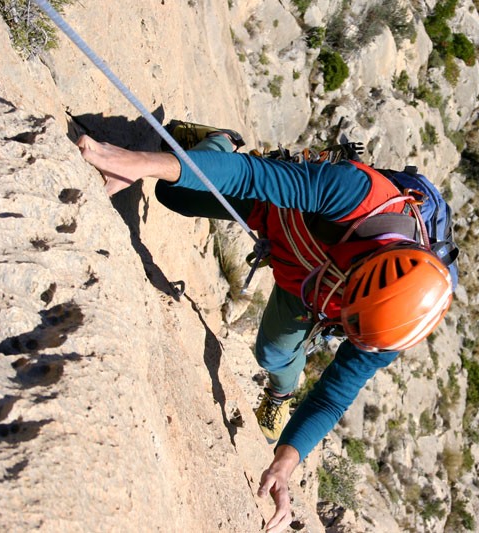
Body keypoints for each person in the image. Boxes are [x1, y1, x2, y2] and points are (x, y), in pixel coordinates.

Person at [76, 131, 454, 532]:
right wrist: (141, 162)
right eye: (347, 297)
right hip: (289, 226)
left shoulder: (395, 325)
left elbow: (333, 397)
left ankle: (279, 392)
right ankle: (220, 140)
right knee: (177, 195)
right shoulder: (357, 196)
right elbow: (251, 176)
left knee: (273, 355)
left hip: (308, 283)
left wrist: (286, 462)